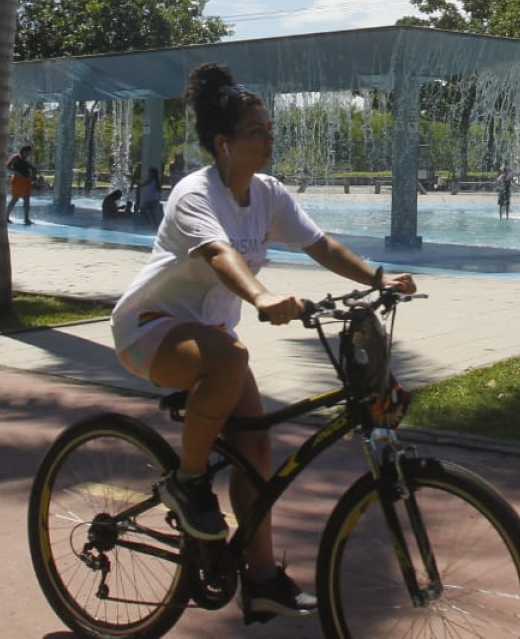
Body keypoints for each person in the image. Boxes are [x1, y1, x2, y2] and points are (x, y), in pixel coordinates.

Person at [110, 62, 414, 623]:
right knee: (232, 359)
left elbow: (319, 245)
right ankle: (187, 481)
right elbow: (219, 255)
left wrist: (377, 280)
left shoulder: (268, 193)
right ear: (223, 144)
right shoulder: (194, 193)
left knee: (256, 454)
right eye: (258, 132)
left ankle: (264, 580)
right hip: (149, 327)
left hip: (213, 342)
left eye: (269, 128)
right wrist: (262, 297)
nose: (269, 138)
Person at [7, 144, 37, 225]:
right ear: (23, 151)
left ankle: (26, 219)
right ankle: (6, 217)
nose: (28, 154)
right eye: (27, 152)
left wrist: (33, 175)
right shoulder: (17, 157)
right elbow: (8, 166)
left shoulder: (26, 159)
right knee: (15, 199)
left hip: (26, 181)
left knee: (27, 200)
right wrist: (16, 172)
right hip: (18, 180)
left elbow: (32, 169)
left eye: (29, 153)